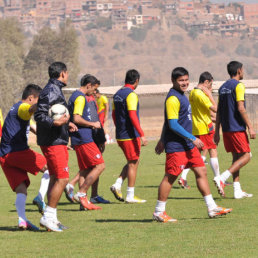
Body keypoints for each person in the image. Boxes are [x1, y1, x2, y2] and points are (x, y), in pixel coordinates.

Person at [153, 67, 232, 222]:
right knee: (170, 177)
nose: (184, 83)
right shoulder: (173, 98)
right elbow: (172, 124)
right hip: (177, 145)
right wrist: (192, 138)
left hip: (187, 146)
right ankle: (158, 211)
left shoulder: (183, 95)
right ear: (173, 81)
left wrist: (162, 139)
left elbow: (168, 121)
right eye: (181, 80)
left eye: (186, 80)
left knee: (201, 171)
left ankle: (212, 208)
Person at [35, 62, 77, 232]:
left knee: (55, 178)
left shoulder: (54, 88)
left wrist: (67, 124)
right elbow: (39, 115)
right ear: (62, 73)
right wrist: (55, 122)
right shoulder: (51, 89)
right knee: (62, 179)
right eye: (67, 73)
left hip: (56, 139)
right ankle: (47, 217)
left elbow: (55, 112)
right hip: (53, 142)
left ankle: (52, 218)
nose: (68, 76)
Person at [0, 84, 49, 231]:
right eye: (37, 100)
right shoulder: (21, 108)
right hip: (17, 152)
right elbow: (29, 109)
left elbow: (34, 129)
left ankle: (22, 221)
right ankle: (40, 197)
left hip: (4, 157)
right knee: (52, 167)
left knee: (21, 189)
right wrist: (41, 104)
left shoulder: (16, 111)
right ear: (30, 98)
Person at [214, 61, 256, 199]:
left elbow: (219, 111)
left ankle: (237, 191)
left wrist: (216, 132)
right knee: (246, 156)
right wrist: (250, 127)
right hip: (236, 128)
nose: (243, 72)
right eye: (242, 70)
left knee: (236, 157)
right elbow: (241, 108)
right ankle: (222, 178)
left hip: (226, 129)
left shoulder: (222, 87)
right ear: (239, 70)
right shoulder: (239, 86)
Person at [65, 76, 109, 205]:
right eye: (94, 89)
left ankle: (83, 203)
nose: (94, 92)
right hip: (84, 137)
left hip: (79, 138)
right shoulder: (80, 97)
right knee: (100, 165)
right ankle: (82, 193)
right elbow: (77, 119)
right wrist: (92, 124)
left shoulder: (76, 96)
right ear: (88, 85)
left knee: (85, 169)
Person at [110, 69, 148, 203]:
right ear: (136, 80)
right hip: (130, 135)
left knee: (132, 161)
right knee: (133, 163)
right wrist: (141, 134)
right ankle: (130, 195)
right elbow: (132, 115)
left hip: (120, 135)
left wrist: (119, 127)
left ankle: (118, 184)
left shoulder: (117, 94)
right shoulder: (131, 95)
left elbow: (114, 115)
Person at [178, 72, 220, 189]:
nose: (210, 88)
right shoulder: (200, 94)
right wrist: (210, 95)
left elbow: (203, 113)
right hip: (204, 128)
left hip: (196, 127)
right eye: (210, 85)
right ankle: (219, 178)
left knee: (196, 154)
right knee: (212, 150)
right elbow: (216, 109)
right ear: (206, 82)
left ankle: (183, 176)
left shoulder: (192, 92)